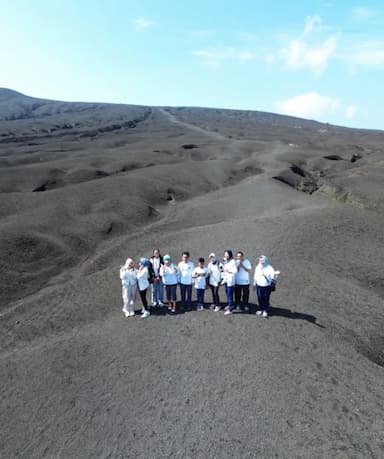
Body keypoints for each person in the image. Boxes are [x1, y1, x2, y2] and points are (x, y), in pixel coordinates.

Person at [221, 250, 237, 316]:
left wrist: (228, 271)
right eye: (225, 254)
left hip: (230, 281)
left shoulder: (233, 261)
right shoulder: (226, 261)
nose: (226, 255)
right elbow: (224, 270)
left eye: (227, 254)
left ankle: (230, 309)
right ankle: (229, 305)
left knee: (230, 295)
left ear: (230, 254)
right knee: (227, 294)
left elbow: (235, 271)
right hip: (226, 280)